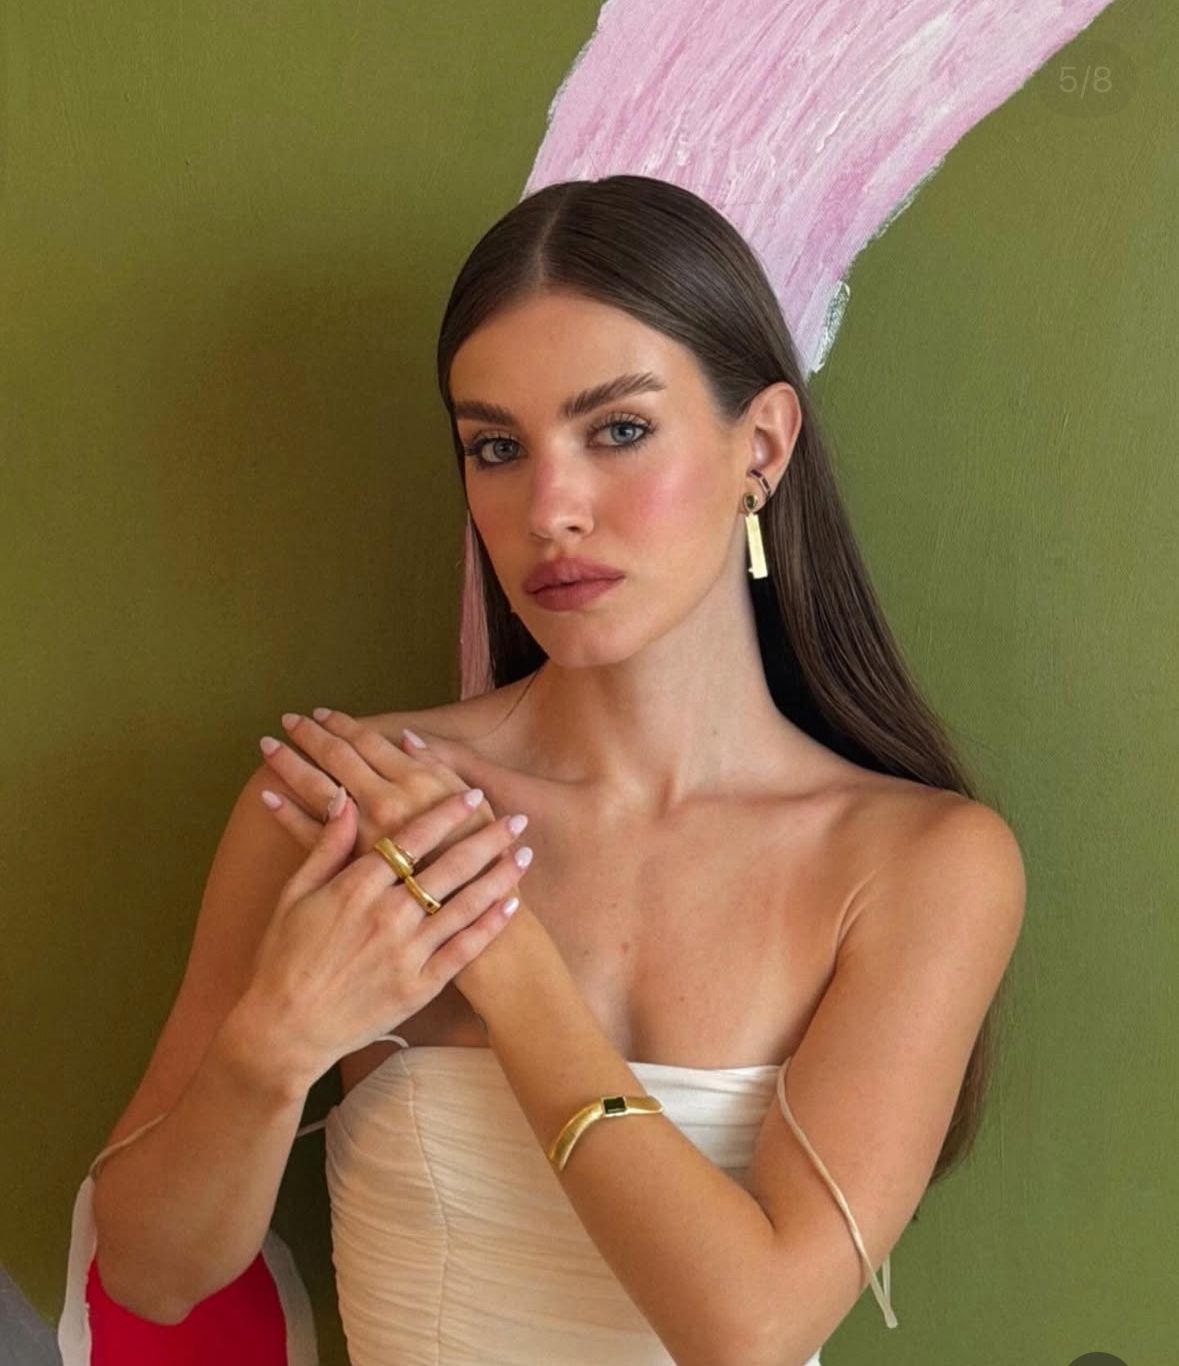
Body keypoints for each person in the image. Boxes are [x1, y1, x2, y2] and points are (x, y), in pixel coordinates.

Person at [68, 174, 1025, 1365]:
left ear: (762, 445)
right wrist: (274, 1041)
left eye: (617, 430)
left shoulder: (923, 864)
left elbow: (752, 1329)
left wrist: (509, 964)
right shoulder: (345, 803)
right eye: (496, 448)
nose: (551, 507)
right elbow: (150, 1278)